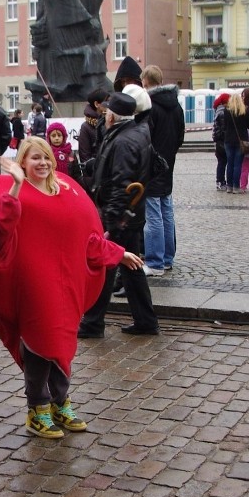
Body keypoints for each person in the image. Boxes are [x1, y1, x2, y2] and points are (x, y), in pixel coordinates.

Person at [0, 137, 142, 438]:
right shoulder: (18, 192)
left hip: (65, 282)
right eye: (34, 158)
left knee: (61, 344)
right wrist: (16, 186)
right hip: (33, 283)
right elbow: (2, 226)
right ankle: (38, 409)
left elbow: (87, 237)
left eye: (45, 157)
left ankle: (60, 402)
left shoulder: (67, 190)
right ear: (22, 162)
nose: (42, 163)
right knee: (38, 345)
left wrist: (118, 253)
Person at [78, 92, 160, 338]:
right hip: (131, 215)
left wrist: (112, 223)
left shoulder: (125, 139)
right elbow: (119, 165)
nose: (104, 115)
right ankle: (145, 321)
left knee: (107, 265)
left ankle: (92, 324)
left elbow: (122, 184)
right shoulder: (134, 131)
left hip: (122, 217)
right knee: (131, 267)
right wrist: (92, 165)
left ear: (113, 114)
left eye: (107, 112)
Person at [141, 65, 185, 275]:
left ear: (145, 82)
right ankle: (167, 257)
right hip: (168, 163)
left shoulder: (150, 106)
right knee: (166, 211)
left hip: (152, 166)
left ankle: (155, 262)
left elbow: (145, 139)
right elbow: (180, 138)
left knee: (153, 216)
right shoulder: (176, 106)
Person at [224, 93, 249, 194]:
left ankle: (229, 186)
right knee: (238, 165)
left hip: (228, 140)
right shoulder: (244, 111)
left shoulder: (226, 111)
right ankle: (236, 187)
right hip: (241, 141)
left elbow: (224, 126)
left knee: (230, 164)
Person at [78, 88, 110, 165]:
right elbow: (85, 157)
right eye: (106, 102)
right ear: (97, 104)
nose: (109, 105)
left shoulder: (110, 121)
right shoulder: (86, 127)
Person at [212, 93, 230, 191]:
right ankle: (221, 182)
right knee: (223, 162)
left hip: (218, 141)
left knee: (221, 162)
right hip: (222, 141)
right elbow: (223, 129)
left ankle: (220, 181)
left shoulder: (218, 110)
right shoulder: (223, 112)